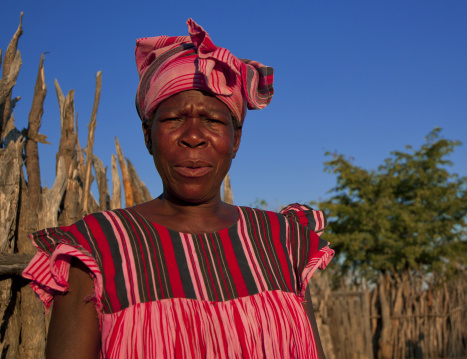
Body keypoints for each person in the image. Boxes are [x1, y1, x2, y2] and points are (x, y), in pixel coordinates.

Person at [22, 19, 334, 359]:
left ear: (236, 139)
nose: (194, 136)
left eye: (214, 121)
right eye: (173, 119)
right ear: (147, 137)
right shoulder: (96, 248)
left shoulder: (281, 239)